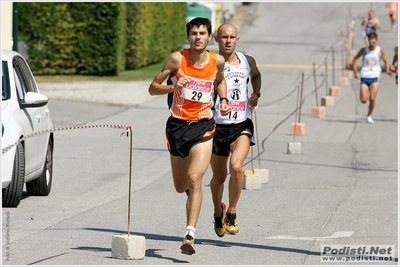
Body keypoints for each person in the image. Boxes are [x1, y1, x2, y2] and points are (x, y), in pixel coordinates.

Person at [148, 17, 230, 255]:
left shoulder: (218, 61)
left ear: (208, 37)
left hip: (203, 126)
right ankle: (193, 196)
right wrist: (173, 87)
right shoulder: (177, 59)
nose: (198, 37)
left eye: (202, 33)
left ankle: (189, 235)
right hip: (177, 126)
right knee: (180, 185)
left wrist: (223, 100)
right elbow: (153, 87)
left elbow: (220, 82)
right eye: (193, 33)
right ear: (188, 36)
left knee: (195, 178)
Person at [210, 23, 261, 237]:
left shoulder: (247, 61)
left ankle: (231, 211)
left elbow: (256, 76)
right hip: (217, 127)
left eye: (232, 37)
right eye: (224, 37)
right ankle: (217, 211)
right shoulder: (210, 63)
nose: (228, 41)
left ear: (237, 39)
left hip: (242, 123)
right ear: (217, 39)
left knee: (237, 166)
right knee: (219, 177)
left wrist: (256, 92)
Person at [352, 32, 392, 124]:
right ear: (368, 41)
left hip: (375, 76)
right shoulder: (364, 50)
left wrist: (388, 70)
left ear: (376, 41)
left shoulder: (380, 50)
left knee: (372, 98)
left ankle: (369, 115)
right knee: (363, 100)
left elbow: (386, 61)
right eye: (370, 42)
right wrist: (355, 72)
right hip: (364, 76)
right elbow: (354, 59)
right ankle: (368, 112)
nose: (372, 44)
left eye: (373, 42)